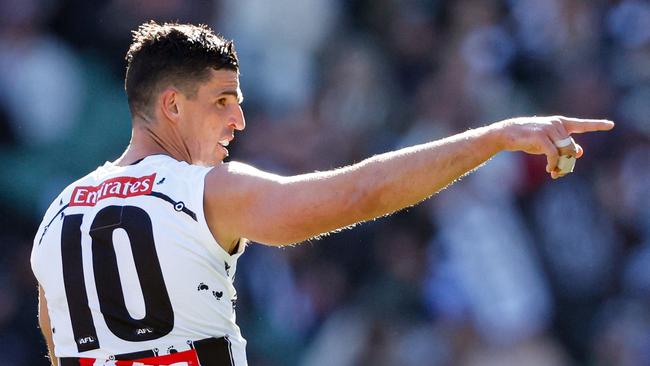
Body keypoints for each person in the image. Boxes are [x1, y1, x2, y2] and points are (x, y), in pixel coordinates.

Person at [31, 21, 614, 366]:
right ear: (172, 106)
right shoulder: (200, 192)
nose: (238, 120)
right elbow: (361, 193)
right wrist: (492, 138)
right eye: (222, 101)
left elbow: (62, 350)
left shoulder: (56, 216)